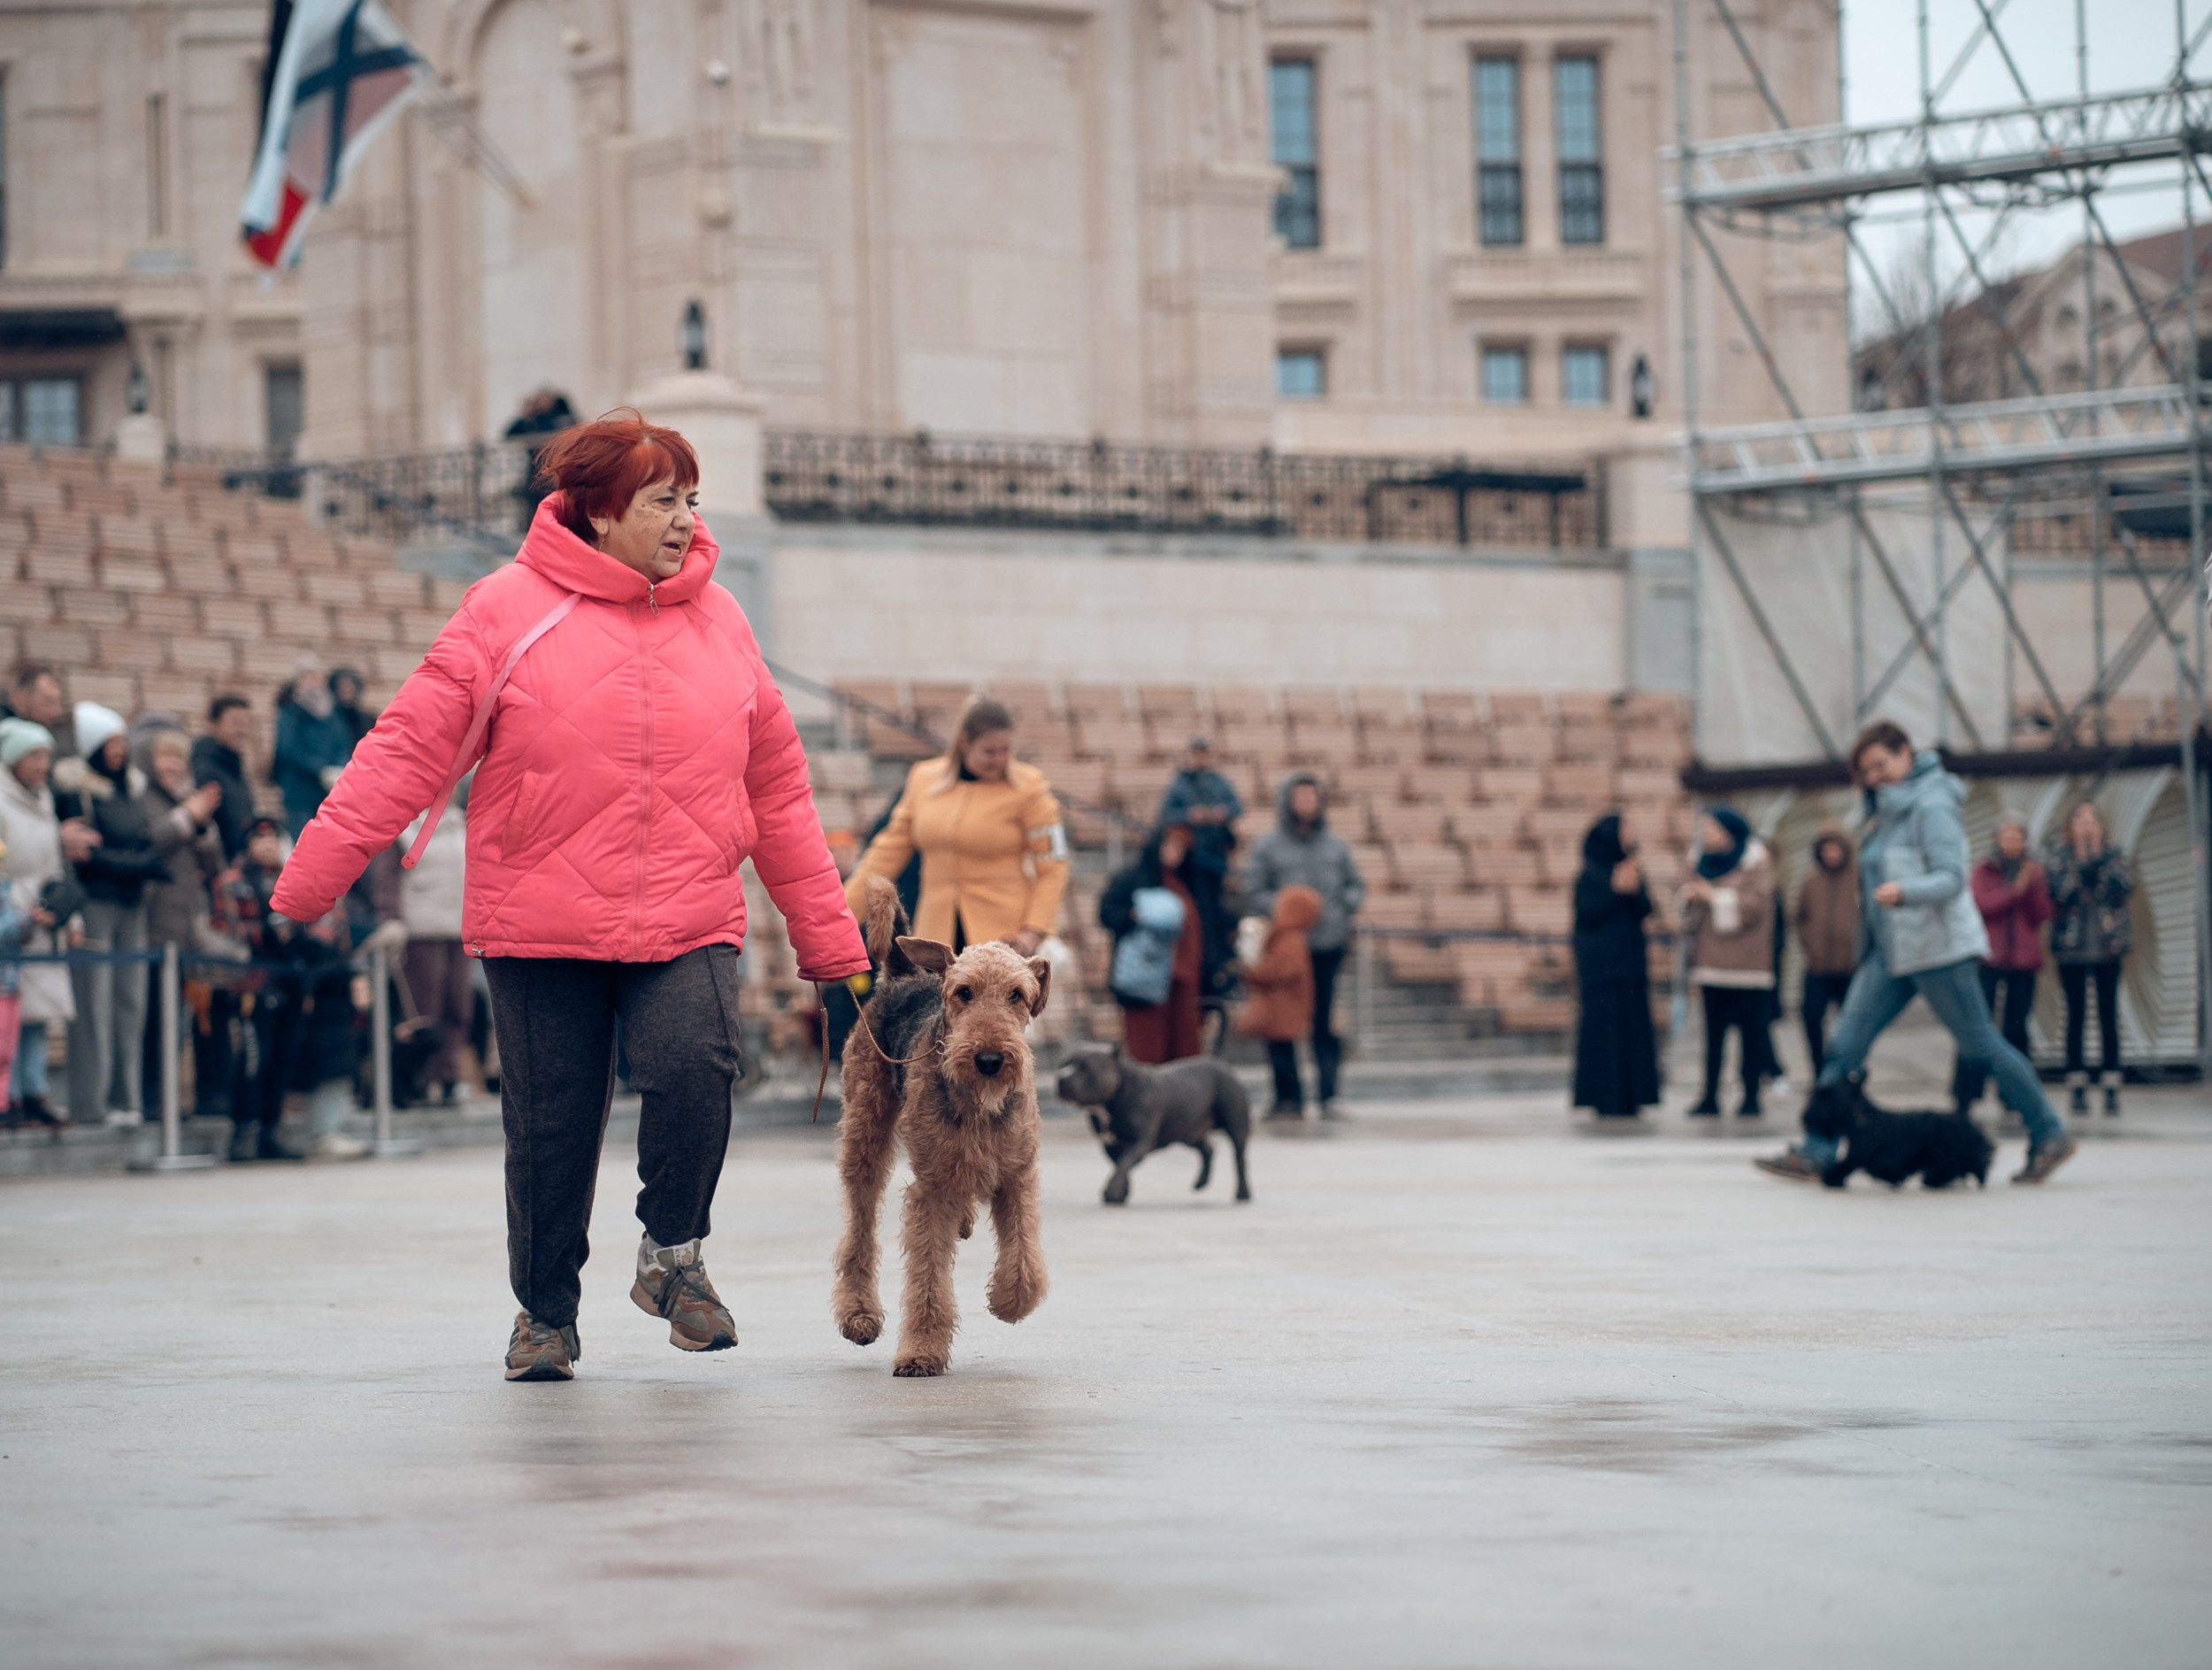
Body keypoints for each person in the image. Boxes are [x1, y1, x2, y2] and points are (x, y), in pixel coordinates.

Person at [270, 409, 871, 1381]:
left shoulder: (722, 618)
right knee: (550, 1131)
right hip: (539, 918)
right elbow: (407, 745)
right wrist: (314, 876)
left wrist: (832, 944)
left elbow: (778, 790)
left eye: (690, 499)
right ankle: (544, 1313)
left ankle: (673, 1255)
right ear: (596, 513)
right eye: (660, 500)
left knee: (698, 1066)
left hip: (687, 910)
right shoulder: (505, 606)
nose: (684, 519)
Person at [1758, 722, 2076, 1186]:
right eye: (1865, 771)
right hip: (1888, 956)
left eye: (1881, 765)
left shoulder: (1932, 803)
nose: (1874, 777)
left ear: (1906, 753)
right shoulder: (1882, 810)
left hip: (1936, 953)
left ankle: (2049, 1133)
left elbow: (1951, 877)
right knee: (1844, 1047)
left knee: (1981, 1046)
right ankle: (1817, 1151)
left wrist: (1905, 891)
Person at [845, 696, 1069, 958]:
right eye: (989, 751)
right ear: (964, 743)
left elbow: (1052, 866)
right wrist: (843, 915)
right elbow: (885, 854)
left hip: (1006, 942)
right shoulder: (923, 779)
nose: (999, 759)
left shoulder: (1031, 788)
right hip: (935, 941)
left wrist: (1032, 932)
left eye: (1006, 750)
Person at [51, 703, 171, 1126]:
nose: (118, 752)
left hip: (130, 904)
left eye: (122, 743)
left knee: (129, 1005)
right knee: (93, 1007)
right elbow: (87, 854)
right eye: (110, 744)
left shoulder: (131, 789)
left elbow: (138, 842)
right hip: (96, 904)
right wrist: (138, 865)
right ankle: (91, 1102)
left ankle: (128, 1099)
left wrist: (138, 864)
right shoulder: (76, 789)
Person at [1242, 773, 1365, 1118]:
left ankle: (1328, 1096)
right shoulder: (1268, 847)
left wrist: (1340, 908)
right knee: (1281, 1024)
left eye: (1313, 797)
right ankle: (1287, 1098)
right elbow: (1253, 889)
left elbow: (1355, 886)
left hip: (1326, 945)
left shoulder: (1335, 846)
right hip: (1286, 950)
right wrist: (1288, 912)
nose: (1307, 804)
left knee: (1323, 1023)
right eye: (1301, 797)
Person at [135, 727, 227, 1114]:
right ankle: (152, 1099)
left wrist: (203, 826)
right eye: (164, 757)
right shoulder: (141, 799)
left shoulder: (185, 802)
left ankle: (187, 1099)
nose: (172, 766)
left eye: (178, 758)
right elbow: (148, 841)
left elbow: (214, 865)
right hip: (155, 925)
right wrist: (186, 818)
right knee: (155, 1020)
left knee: (190, 1020)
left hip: (192, 925)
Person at [0, 718, 86, 1127]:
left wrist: (70, 915)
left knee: (38, 1010)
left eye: (46, 757)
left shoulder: (45, 800)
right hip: (11, 911)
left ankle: (34, 1090)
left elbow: (56, 863)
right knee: (8, 1013)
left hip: (45, 910)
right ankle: (8, 1094)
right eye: (34, 755)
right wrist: (13, 913)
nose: (42, 764)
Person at [1678, 807, 1775, 1119]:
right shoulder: (1698, 861)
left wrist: (1713, 897)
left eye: (1711, 829)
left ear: (1728, 832)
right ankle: (1709, 1096)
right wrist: (1689, 898)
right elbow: (1686, 911)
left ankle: (1750, 1096)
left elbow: (1755, 907)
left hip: (1748, 966)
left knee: (1751, 1035)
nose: (1706, 835)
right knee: (1713, 1036)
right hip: (1710, 963)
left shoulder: (1755, 861)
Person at [1952, 810, 2053, 1115]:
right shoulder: (1984, 869)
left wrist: (2032, 886)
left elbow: (2042, 914)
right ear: (1997, 838)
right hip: (1988, 959)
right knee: (1976, 1027)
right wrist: (2015, 890)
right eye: (2006, 834)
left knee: (2017, 1029)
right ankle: (1966, 1095)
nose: (2012, 841)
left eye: (2018, 835)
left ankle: (2015, 1096)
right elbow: (1982, 905)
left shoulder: (2033, 871)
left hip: (2022, 961)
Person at [2047, 799, 2134, 1118]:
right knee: (2076, 1016)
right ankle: (2077, 1086)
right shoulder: (2060, 857)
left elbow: (2125, 885)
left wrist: (2098, 858)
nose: (2086, 824)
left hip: (2107, 947)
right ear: (2070, 826)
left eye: (2092, 819)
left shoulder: (2114, 854)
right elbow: (2060, 892)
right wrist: (2081, 860)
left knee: (2108, 1015)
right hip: (2072, 948)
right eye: (2080, 818)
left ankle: (2111, 1085)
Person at [1571, 813, 1660, 1120]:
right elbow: (1588, 914)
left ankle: (1634, 1095)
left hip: (1630, 966)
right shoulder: (1590, 875)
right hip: (1601, 970)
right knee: (1604, 1032)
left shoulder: (1631, 869)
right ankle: (1603, 1095)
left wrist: (1633, 889)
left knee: (1632, 1031)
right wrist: (1614, 889)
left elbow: (1646, 909)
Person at [1101, 820, 1207, 1066]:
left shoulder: (1189, 883)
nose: (1174, 852)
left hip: (1183, 980)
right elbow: (1108, 913)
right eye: (1169, 844)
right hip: (1145, 980)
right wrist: (1134, 915)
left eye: (1180, 847)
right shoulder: (1133, 878)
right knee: (1146, 1050)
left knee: (1185, 1050)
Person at [1157, 737, 1243, 993]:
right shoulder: (1179, 785)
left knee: (1216, 918)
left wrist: (1220, 813)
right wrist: (1191, 816)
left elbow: (1237, 807)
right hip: (1192, 866)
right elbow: (1165, 816)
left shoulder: (1218, 782)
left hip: (1216, 863)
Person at [1237, 882, 1324, 1112]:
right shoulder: (1287, 936)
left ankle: (1289, 1101)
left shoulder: (1290, 938)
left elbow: (1281, 970)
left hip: (1283, 1010)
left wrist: (1253, 970)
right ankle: (1285, 1099)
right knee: (1281, 1057)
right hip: (1281, 1008)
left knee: (1284, 1059)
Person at [1793, 821, 1858, 1075]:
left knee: (1849, 1023)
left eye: (1836, 849)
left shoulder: (1857, 880)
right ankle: (1818, 1069)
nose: (1831, 854)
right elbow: (1800, 918)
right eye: (1826, 849)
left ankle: (1843, 1069)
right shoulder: (1810, 882)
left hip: (1849, 967)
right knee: (1811, 1016)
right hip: (1817, 966)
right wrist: (1810, 943)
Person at [273, 653, 355, 837]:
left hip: (327, 792)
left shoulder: (332, 713)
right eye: (306, 676)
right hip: (299, 793)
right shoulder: (290, 712)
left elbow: (342, 743)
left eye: (315, 676)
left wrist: (338, 768)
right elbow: (289, 748)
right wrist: (320, 770)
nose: (312, 682)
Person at [192, 693, 258, 863]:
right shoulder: (203, 767)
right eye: (235, 723)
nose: (243, 730)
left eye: (246, 723)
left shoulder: (233, 766)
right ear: (212, 725)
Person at [3, 664, 74, 757]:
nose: (57, 712)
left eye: (58, 703)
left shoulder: (56, 731)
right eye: (48, 702)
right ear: (22, 697)